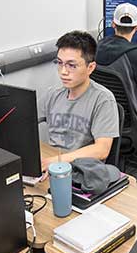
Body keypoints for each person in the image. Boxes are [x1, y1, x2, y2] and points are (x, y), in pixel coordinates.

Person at [39, 31, 120, 172]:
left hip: (82, 171)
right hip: (53, 165)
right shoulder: (53, 94)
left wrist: (57, 161)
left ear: (90, 68)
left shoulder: (103, 100)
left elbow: (102, 150)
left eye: (71, 65)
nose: (63, 71)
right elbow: (23, 121)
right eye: (59, 63)